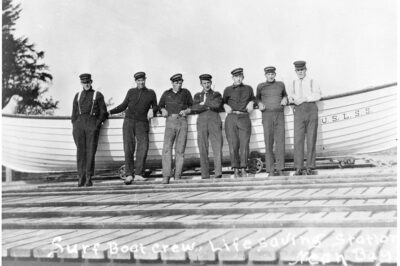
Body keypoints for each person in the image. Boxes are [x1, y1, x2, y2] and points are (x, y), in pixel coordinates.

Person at [108, 72, 158, 185]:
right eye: (138, 80)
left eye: (142, 80)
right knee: (128, 148)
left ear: (145, 80)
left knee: (143, 147)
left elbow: (155, 105)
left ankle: (139, 174)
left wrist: (152, 110)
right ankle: (129, 174)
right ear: (135, 81)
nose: (141, 82)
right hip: (129, 122)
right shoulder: (131, 92)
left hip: (142, 123)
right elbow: (123, 105)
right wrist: (110, 111)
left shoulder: (151, 93)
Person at [71, 73, 107, 187]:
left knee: (90, 151)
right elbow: (74, 113)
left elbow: (103, 112)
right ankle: (80, 177)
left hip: (92, 124)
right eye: (84, 82)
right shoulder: (77, 95)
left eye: (88, 82)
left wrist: (96, 125)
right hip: (79, 125)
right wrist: (75, 124)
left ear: (91, 82)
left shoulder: (97, 94)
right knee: (80, 152)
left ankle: (88, 177)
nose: (86, 84)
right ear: (81, 83)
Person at [288, 61, 322, 175]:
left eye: (302, 70)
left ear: (305, 70)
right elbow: (290, 95)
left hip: (311, 109)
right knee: (298, 139)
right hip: (299, 111)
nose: (300, 72)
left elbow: (318, 95)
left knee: (311, 138)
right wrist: (292, 99)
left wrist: (305, 98)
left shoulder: (312, 81)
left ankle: (310, 167)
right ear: (295, 71)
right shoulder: (293, 82)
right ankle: (298, 167)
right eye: (298, 70)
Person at [159, 73, 193, 184]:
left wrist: (187, 111)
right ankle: (166, 175)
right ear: (172, 83)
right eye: (176, 83)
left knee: (180, 150)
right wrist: (162, 110)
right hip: (170, 121)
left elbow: (192, 106)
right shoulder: (166, 93)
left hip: (182, 121)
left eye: (180, 82)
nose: (178, 85)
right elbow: (159, 106)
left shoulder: (186, 93)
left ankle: (178, 175)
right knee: (167, 149)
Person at [223, 68, 255, 178]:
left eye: (240, 76)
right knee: (233, 144)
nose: (239, 78)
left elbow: (254, 99)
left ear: (243, 77)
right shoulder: (227, 90)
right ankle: (235, 169)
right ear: (233, 78)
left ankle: (243, 168)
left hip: (244, 117)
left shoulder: (248, 89)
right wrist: (224, 105)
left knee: (244, 144)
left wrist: (251, 102)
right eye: (236, 76)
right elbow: (222, 102)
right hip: (231, 118)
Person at [256, 66, 288, 176]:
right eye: (268, 74)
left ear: (275, 74)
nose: (270, 76)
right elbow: (257, 98)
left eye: (272, 74)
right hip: (267, 115)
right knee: (268, 142)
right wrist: (259, 103)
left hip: (279, 114)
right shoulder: (261, 86)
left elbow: (285, 95)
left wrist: (285, 98)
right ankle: (270, 170)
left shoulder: (280, 85)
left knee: (280, 142)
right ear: (265, 75)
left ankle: (280, 168)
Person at [191, 74, 223, 179]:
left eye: (208, 83)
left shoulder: (216, 94)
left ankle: (218, 172)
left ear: (211, 83)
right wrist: (207, 105)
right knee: (202, 147)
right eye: (204, 83)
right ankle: (205, 174)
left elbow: (217, 105)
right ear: (201, 84)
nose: (207, 85)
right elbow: (194, 108)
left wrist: (203, 105)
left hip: (214, 120)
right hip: (202, 122)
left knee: (217, 146)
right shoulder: (197, 96)